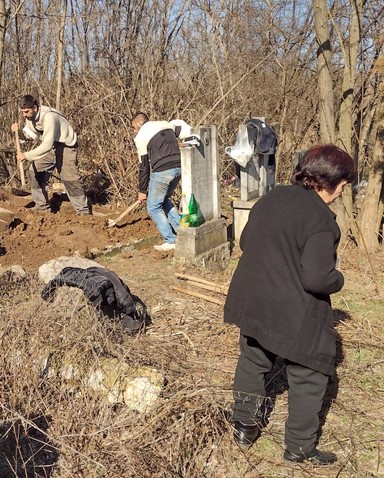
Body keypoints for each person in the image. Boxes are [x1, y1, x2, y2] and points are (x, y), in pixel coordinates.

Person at [224, 144, 353, 465]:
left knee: (253, 360)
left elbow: (245, 242)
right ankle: (299, 447)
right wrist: (339, 279)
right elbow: (317, 279)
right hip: (292, 308)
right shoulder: (322, 221)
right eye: (344, 184)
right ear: (330, 181)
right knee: (310, 373)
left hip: (252, 297)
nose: (343, 191)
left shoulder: (272, 197)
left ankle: (244, 426)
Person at [10, 95, 89, 215]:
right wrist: (19, 132)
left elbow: (46, 145)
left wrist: (26, 155)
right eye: (22, 112)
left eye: (26, 112)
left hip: (66, 145)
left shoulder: (49, 117)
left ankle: (83, 211)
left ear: (35, 107)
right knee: (35, 171)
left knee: (69, 178)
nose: (24, 115)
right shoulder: (29, 118)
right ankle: (41, 206)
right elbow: (30, 136)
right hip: (51, 147)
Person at [130, 112, 193, 251]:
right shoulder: (165, 124)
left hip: (163, 171)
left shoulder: (141, 136)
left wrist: (142, 190)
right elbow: (184, 131)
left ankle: (171, 240)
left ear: (140, 123)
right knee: (163, 200)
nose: (134, 131)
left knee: (153, 207)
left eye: (134, 127)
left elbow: (144, 166)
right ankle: (182, 232)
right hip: (179, 167)